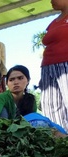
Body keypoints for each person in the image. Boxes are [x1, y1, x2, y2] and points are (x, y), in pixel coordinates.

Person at [39, 0, 68, 130]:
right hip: (47, 67)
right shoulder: (53, 23)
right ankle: (60, 144)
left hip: (65, 66)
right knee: (51, 107)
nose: (51, 1)